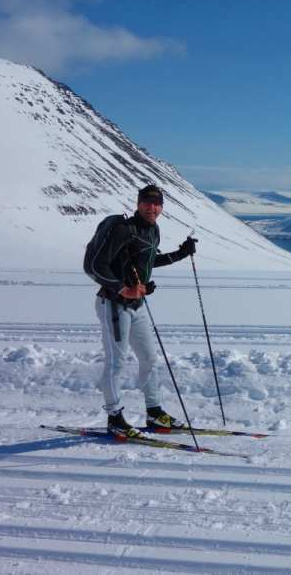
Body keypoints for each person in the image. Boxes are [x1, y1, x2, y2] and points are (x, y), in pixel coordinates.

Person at [86, 184, 197, 437]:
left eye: (157, 204)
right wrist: (122, 289)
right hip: (113, 304)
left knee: (149, 358)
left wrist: (180, 254)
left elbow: (147, 261)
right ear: (138, 203)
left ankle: (154, 413)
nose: (152, 207)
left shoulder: (152, 230)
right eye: (147, 202)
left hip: (138, 305)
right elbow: (95, 264)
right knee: (117, 362)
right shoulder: (124, 230)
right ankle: (114, 417)